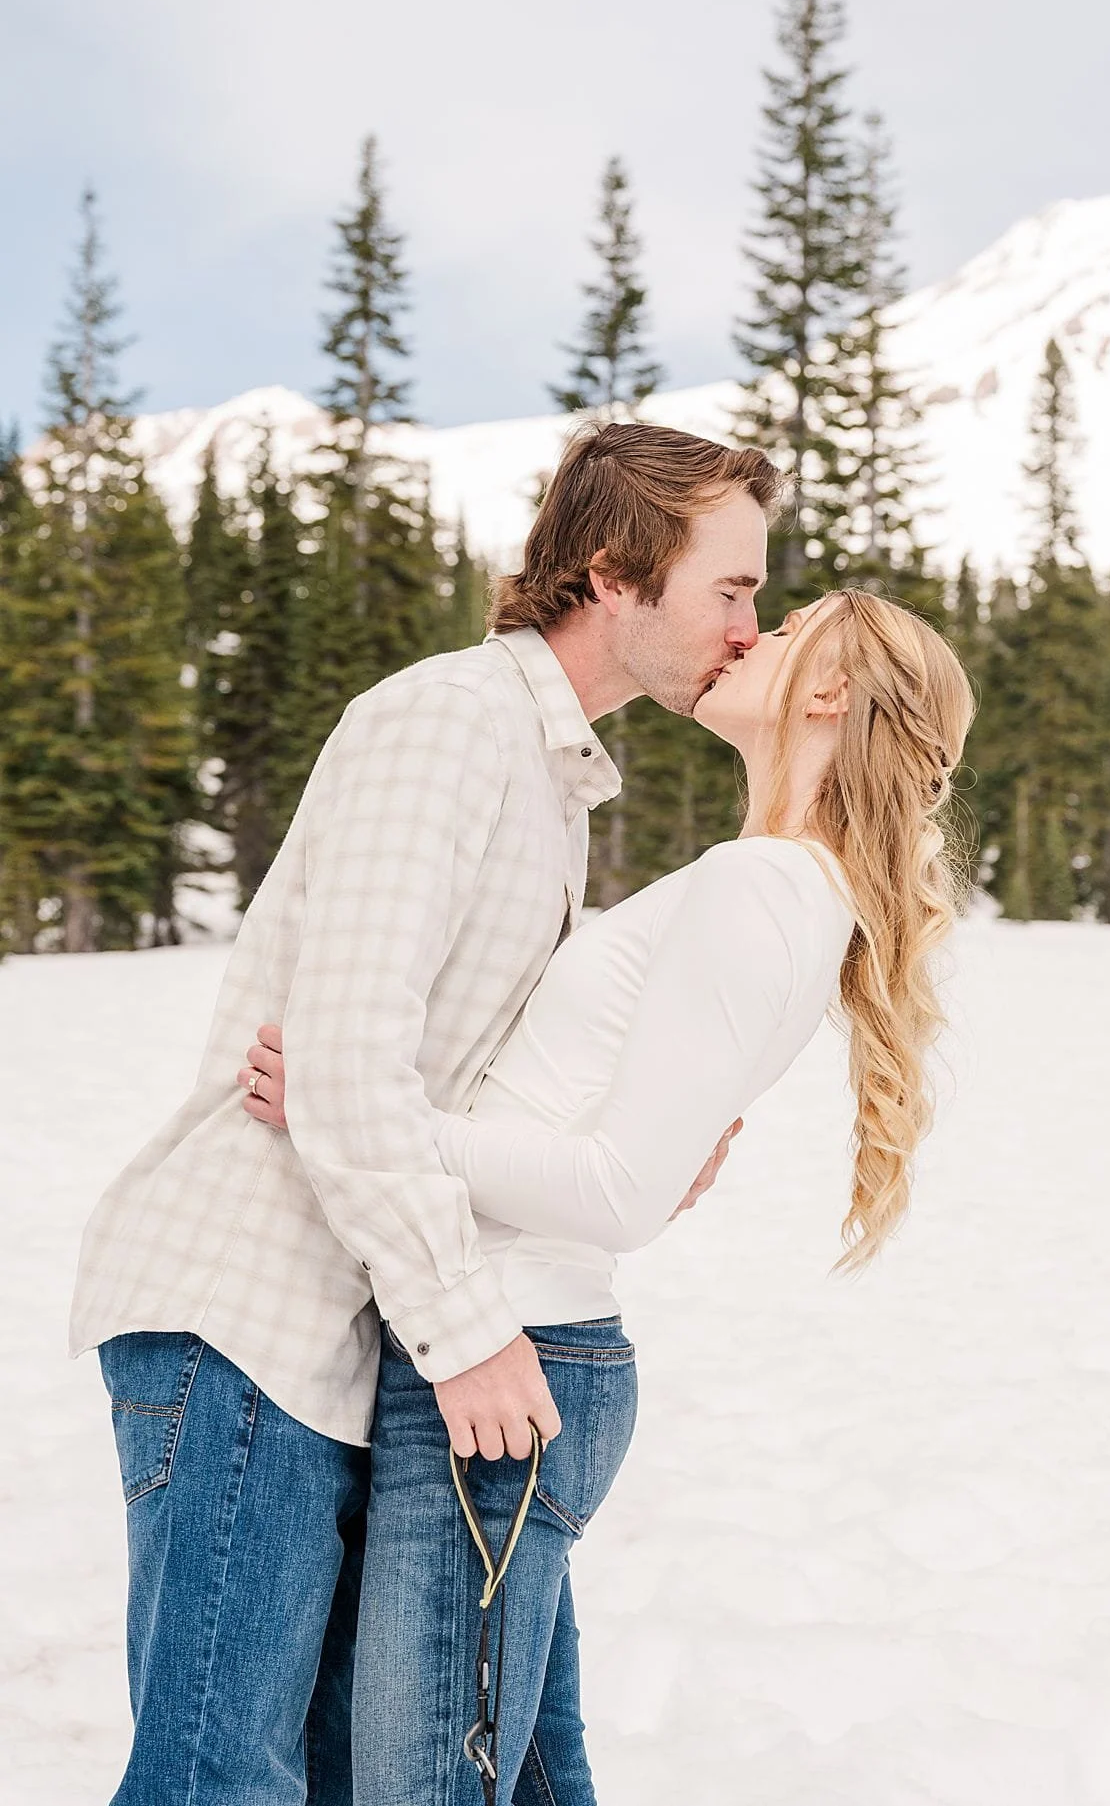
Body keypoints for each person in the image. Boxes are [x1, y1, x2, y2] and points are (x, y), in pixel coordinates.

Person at [70, 421, 775, 1804]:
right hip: (245, 1318)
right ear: (615, 575)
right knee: (224, 1780)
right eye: (733, 590)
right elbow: (342, 1060)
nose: (752, 629)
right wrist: (467, 1335)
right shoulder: (448, 723)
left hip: (345, 1338)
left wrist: (632, 1152)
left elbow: (436, 1076)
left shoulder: (550, 775)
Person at [243, 583, 974, 1804]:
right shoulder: (782, 881)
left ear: (833, 692)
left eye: (785, 630)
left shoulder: (766, 886)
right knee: (519, 1775)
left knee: (422, 1784)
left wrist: (363, 1108)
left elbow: (621, 1189)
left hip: (511, 1356)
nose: (749, 635)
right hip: (503, 1348)